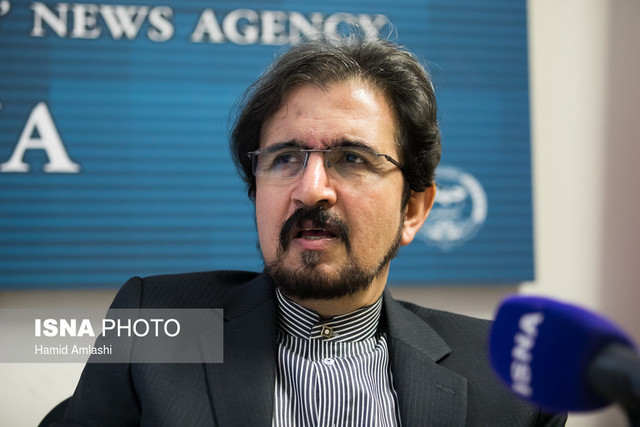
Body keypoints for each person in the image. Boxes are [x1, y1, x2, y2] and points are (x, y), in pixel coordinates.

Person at [53, 36, 566, 426]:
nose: (311, 190)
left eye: (352, 158)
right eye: (285, 158)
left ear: (413, 209)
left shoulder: (513, 378)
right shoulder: (157, 324)